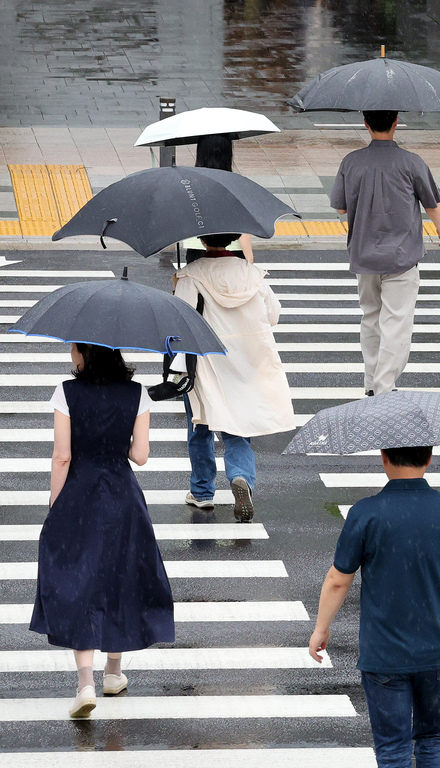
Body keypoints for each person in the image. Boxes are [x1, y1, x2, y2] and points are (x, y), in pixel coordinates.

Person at [310, 445, 440, 767]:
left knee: (393, 748)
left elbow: (337, 580)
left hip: (384, 652)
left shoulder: (367, 512)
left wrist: (321, 628)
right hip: (437, 647)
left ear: (384, 458)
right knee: (434, 737)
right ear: (429, 459)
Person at [33, 343, 174, 718]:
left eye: (73, 348)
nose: (70, 354)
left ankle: (85, 682)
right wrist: (117, 438)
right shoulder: (137, 393)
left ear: (84, 353)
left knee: (81, 581)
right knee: (120, 578)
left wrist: (54, 506)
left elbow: (62, 456)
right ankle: (114, 672)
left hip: (79, 495)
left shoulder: (66, 392)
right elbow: (140, 455)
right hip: (123, 498)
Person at [174, 233, 295, 522]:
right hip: (246, 360)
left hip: (206, 362)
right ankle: (241, 477)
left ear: (202, 242)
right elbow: (273, 315)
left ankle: (202, 491)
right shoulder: (252, 275)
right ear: (232, 241)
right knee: (238, 425)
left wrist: (178, 285)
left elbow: (180, 319)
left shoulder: (191, 276)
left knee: (200, 424)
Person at [331, 109, 440, 397]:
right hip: (401, 256)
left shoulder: (351, 162)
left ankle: (372, 384)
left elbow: (341, 207)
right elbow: (431, 203)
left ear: (365, 123)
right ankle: (384, 387)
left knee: (370, 317)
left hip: (363, 255)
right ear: (396, 122)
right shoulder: (411, 162)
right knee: (396, 322)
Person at [180, 134, 255, 263]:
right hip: (231, 250)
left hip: (196, 250)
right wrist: (249, 255)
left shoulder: (190, 183)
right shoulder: (234, 184)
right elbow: (243, 222)